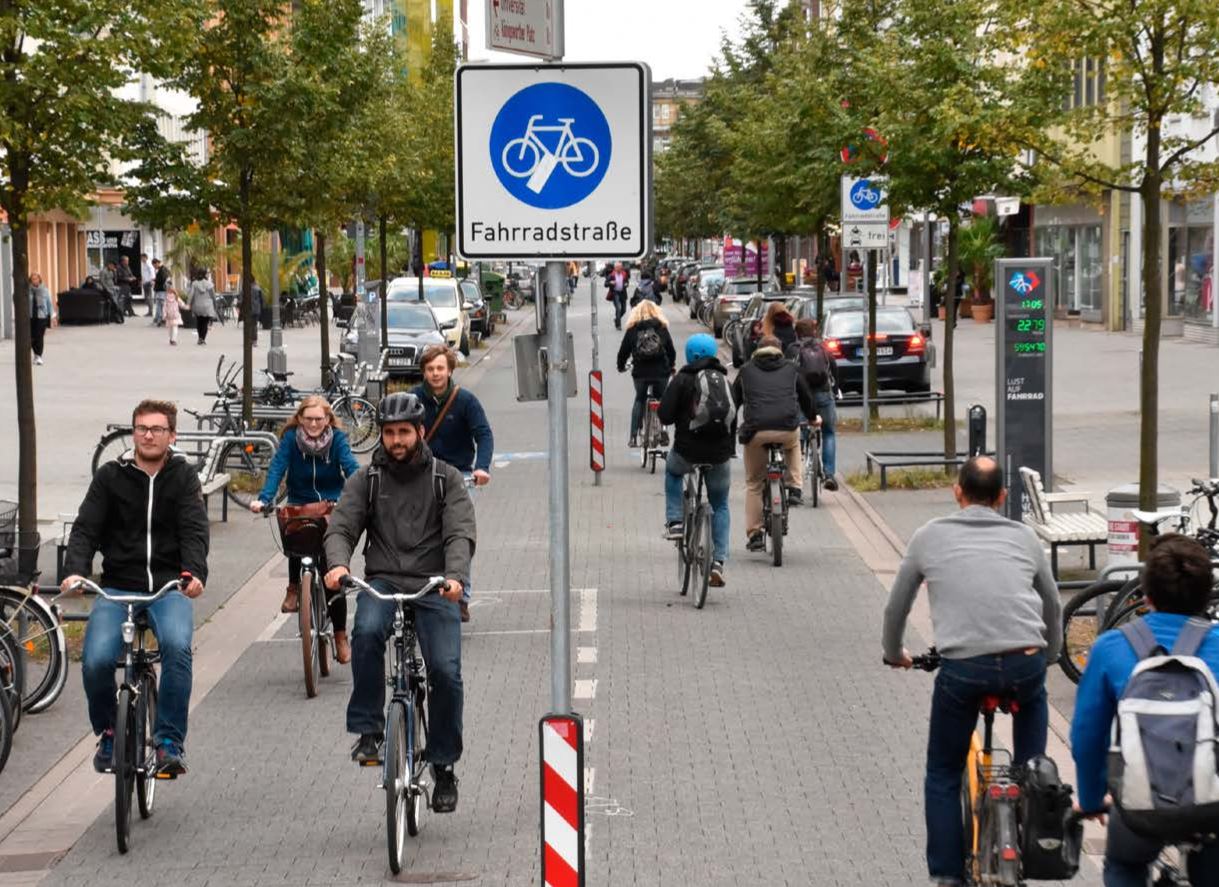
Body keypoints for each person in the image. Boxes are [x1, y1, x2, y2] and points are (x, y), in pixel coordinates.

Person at [882, 456, 1061, 887]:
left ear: (956, 491)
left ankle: (947, 875)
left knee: (943, 772)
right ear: (1002, 497)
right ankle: (1029, 795)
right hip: (1025, 660)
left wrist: (895, 653)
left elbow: (897, 605)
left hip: (964, 668)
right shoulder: (1024, 537)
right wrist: (1049, 656)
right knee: (1032, 750)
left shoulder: (929, 537)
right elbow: (1052, 605)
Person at [323, 393, 475, 813]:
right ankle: (369, 730)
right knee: (367, 631)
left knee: (446, 672)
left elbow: (459, 533)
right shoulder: (367, 479)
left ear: (420, 432)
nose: (396, 440)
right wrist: (337, 565)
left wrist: (457, 577)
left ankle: (443, 764)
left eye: (403, 432)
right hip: (384, 579)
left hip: (434, 583)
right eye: (389, 433)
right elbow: (341, 528)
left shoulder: (446, 478)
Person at [61, 399, 209, 776]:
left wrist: (193, 573)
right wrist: (76, 571)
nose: (147, 435)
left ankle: (168, 742)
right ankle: (110, 731)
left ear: (171, 435)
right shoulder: (111, 476)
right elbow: (85, 529)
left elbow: (194, 530)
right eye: (141, 427)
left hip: (167, 588)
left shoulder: (182, 477)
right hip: (116, 589)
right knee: (95, 661)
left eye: (157, 429)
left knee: (177, 649)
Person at [1070, 533, 1219, 886]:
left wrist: (1092, 800)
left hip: (1138, 808)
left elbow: (1086, 735)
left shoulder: (1110, 647)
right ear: (1205, 597)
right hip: (1213, 806)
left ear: (1146, 597)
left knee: (1125, 866)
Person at [250, 396, 360, 660]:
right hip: (299, 503)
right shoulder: (290, 439)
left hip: (331, 504)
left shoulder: (338, 440)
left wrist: (360, 489)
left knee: (332, 572)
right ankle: (293, 587)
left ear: (328, 420)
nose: (313, 424)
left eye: (319, 419)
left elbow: (352, 468)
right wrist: (265, 499)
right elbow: (277, 469)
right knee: (296, 537)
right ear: (299, 419)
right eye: (308, 419)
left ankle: (341, 636)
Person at [411, 345, 494, 624]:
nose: (436, 373)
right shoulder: (413, 399)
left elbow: (483, 434)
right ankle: (417, 592)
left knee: (459, 538)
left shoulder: (465, 401)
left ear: (449, 370)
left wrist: (481, 467)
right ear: (424, 371)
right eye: (430, 369)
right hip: (421, 475)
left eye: (440, 368)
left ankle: (462, 597)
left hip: (459, 476)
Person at [658, 333, 734, 587]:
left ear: (689, 355)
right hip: (720, 455)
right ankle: (719, 562)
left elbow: (665, 416)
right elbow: (733, 418)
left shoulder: (682, 379)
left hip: (687, 452)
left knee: (672, 472)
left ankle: (676, 522)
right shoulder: (724, 380)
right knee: (720, 504)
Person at [732, 334, 814, 545]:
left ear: (757, 350)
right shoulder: (791, 368)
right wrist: (814, 418)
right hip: (786, 428)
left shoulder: (746, 370)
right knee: (795, 443)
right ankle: (795, 486)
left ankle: (755, 533)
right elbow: (806, 397)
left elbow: (734, 403)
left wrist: (730, 433)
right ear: (780, 350)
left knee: (754, 482)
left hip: (756, 431)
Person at [786, 317, 839, 491]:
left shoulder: (793, 349)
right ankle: (829, 474)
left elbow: (786, 371)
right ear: (814, 331)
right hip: (824, 394)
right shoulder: (824, 348)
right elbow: (834, 369)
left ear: (797, 333)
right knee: (829, 432)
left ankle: (795, 474)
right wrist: (835, 389)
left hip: (801, 397)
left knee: (797, 434)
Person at [617, 299, 677, 448]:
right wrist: (671, 365)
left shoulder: (633, 330)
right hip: (661, 372)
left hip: (640, 373)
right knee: (661, 399)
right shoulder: (662, 328)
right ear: (656, 312)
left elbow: (623, 352)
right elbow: (671, 351)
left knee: (639, 399)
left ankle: (633, 437)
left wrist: (620, 366)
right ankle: (663, 429)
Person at [28, 272, 53, 365]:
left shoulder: (44, 290)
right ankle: (35, 354)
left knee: (39, 336)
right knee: (32, 336)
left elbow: (49, 303)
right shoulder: (27, 291)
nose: (34, 280)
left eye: (36, 278)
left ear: (39, 279)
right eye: (32, 279)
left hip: (42, 316)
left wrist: (53, 316)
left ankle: (39, 355)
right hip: (30, 317)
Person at [188, 269, 217, 345]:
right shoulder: (209, 284)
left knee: (199, 322)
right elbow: (213, 296)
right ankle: (202, 338)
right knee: (205, 323)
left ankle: (200, 338)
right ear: (205, 275)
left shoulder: (194, 284)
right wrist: (215, 304)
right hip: (207, 307)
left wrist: (188, 304)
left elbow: (191, 295)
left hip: (197, 306)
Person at [606, 261, 630, 329]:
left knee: (624, 310)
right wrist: (610, 282)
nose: (619, 268)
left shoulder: (624, 274)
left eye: (620, 267)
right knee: (618, 309)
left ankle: (617, 319)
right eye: (617, 267)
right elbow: (605, 284)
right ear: (615, 268)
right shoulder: (612, 275)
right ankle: (618, 325)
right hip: (615, 293)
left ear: (621, 267)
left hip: (623, 293)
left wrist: (626, 284)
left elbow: (627, 282)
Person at [140, 254, 155, 319]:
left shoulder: (148, 264)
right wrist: (142, 281)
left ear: (145, 257)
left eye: (142, 258)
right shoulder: (144, 264)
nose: (141, 259)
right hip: (145, 282)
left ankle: (150, 312)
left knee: (148, 297)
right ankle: (149, 311)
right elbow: (144, 274)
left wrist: (152, 280)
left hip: (148, 282)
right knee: (147, 297)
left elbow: (152, 272)